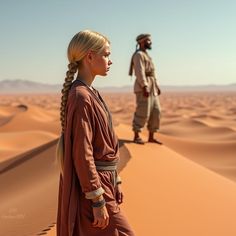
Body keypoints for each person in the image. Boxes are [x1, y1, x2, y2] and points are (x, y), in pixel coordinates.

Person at [56, 30, 135, 236]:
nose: (110, 61)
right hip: (95, 187)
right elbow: (83, 153)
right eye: (106, 54)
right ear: (90, 56)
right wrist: (97, 198)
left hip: (105, 182)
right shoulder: (81, 96)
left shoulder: (91, 93)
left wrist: (115, 180)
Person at [129, 33, 162, 145]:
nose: (150, 42)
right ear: (141, 42)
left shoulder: (146, 55)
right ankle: (136, 135)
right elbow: (139, 71)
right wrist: (144, 86)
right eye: (148, 40)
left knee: (156, 112)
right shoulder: (138, 55)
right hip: (144, 87)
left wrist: (156, 86)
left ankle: (151, 137)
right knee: (143, 111)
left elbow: (152, 73)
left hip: (152, 87)